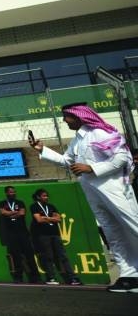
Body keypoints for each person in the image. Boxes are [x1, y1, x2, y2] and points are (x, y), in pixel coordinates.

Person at [31, 102, 138, 293]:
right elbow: (66, 161)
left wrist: (92, 168)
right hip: (92, 189)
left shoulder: (101, 132)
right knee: (112, 232)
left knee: (132, 225)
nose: (64, 120)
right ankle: (129, 276)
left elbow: (121, 157)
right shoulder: (78, 139)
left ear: (79, 116)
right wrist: (41, 149)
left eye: (67, 116)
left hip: (112, 188)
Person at [29, 188, 81, 286]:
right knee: (48, 256)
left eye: (47, 195)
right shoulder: (34, 206)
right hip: (43, 235)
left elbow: (58, 219)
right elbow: (38, 220)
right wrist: (51, 218)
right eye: (44, 196)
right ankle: (51, 278)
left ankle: (73, 278)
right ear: (38, 197)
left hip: (55, 234)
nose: (46, 197)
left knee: (63, 256)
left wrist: (46, 218)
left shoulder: (51, 206)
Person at [0, 185, 41, 283]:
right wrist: (14, 212)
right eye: (11, 192)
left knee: (29, 255)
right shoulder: (2, 203)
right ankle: (18, 277)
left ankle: (35, 277)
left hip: (23, 233)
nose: (13, 193)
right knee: (15, 256)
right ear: (7, 193)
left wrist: (10, 213)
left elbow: (22, 213)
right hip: (10, 234)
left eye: (14, 192)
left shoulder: (20, 202)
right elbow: (3, 213)